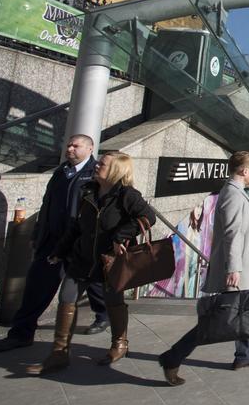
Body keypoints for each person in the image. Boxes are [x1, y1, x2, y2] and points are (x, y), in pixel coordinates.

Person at [27, 152, 156, 375]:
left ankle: (119, 344)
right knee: (67, 298)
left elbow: (147, 218)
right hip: (82, 258)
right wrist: (60, 251)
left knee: (113, 302)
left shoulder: (127, 195)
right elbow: (76, 227)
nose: (97, 166)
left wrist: (120, 236)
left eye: (102, 164)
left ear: (115, 169)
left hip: (109, 262)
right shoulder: (88, 191)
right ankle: (59, 353)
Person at [158, 151, 249, 386]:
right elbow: (232, 233)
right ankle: (173, 357)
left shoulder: (237, 193)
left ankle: (243, 355)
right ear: (244, 171)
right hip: (238, 270)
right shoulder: (233, 195)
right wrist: (234, 268)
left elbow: (242, 226)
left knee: (244, 312)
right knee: (218, 319)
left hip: (244, 269)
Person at [0, 136, 110, 353]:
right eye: (69, 145)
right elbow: (47, 205)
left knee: (94, 284)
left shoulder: (95, 173)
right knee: (37, 285)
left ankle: (104, 315)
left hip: (79, 244)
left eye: (76, 146)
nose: (70, 149)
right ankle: (21, 333)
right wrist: (38, 233)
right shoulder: (60, 172)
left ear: (90, 148)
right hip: (52, 242)